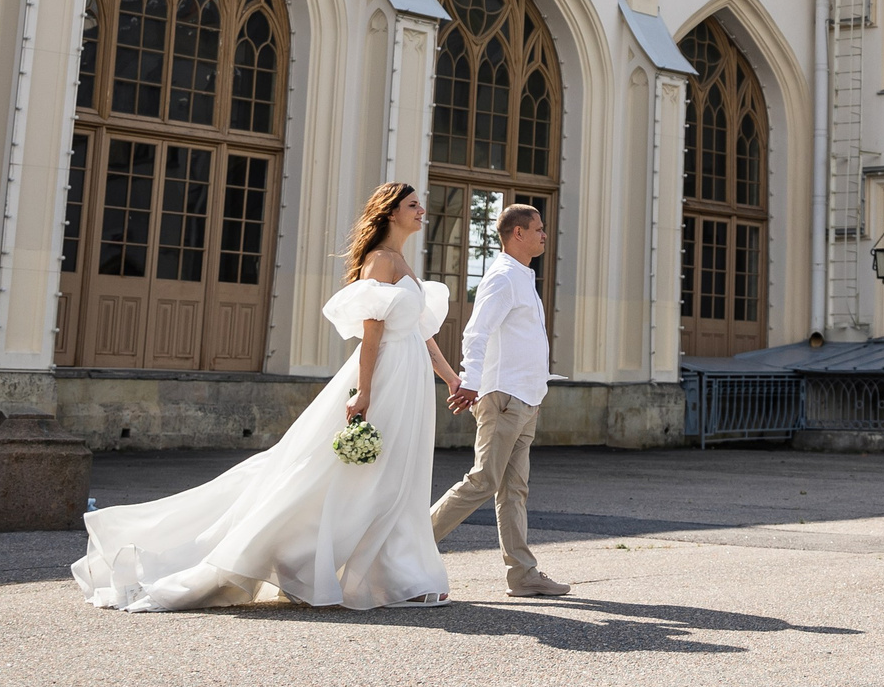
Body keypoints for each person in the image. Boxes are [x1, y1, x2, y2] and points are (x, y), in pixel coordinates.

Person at [70, 183, 462, 612]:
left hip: (410, 380)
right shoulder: (380, 262)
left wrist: (450, 378)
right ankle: (341, 566)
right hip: (386, 377)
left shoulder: (402, 262)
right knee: (366, 475)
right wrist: (364, 392)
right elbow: (372, 336)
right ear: (390, 213)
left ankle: (401, 574)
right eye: (412, 204)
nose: (422, 210)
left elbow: (421, 332)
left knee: (402, 475)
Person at [429, 202, 569, 597]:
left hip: (526, 399)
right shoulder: (504, 277)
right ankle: (410, 544)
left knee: (514, 489)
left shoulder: (523, 277)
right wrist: (470, 381)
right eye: (538, 228)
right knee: (483, 480)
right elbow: (477, 332)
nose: (544, 234)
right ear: (518, 234)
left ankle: (523, 574)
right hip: (503, 398)